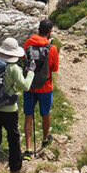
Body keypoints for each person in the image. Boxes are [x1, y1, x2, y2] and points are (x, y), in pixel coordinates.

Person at [0, 38, 35, 173]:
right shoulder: (13, 68)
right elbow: (25, 86)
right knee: (13, 137)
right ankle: (15, 169)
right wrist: (31, 72)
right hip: (9, 109)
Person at [23, 19, 60, 151]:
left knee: (28, 116)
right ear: (50, 32)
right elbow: (55, 69)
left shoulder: (28, 43)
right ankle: (44, 140)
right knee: (45, 114)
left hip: (29, 85)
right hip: (45, 87)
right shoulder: (52, 49)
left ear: (38, 29)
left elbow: (24, 59)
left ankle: (27, 148)